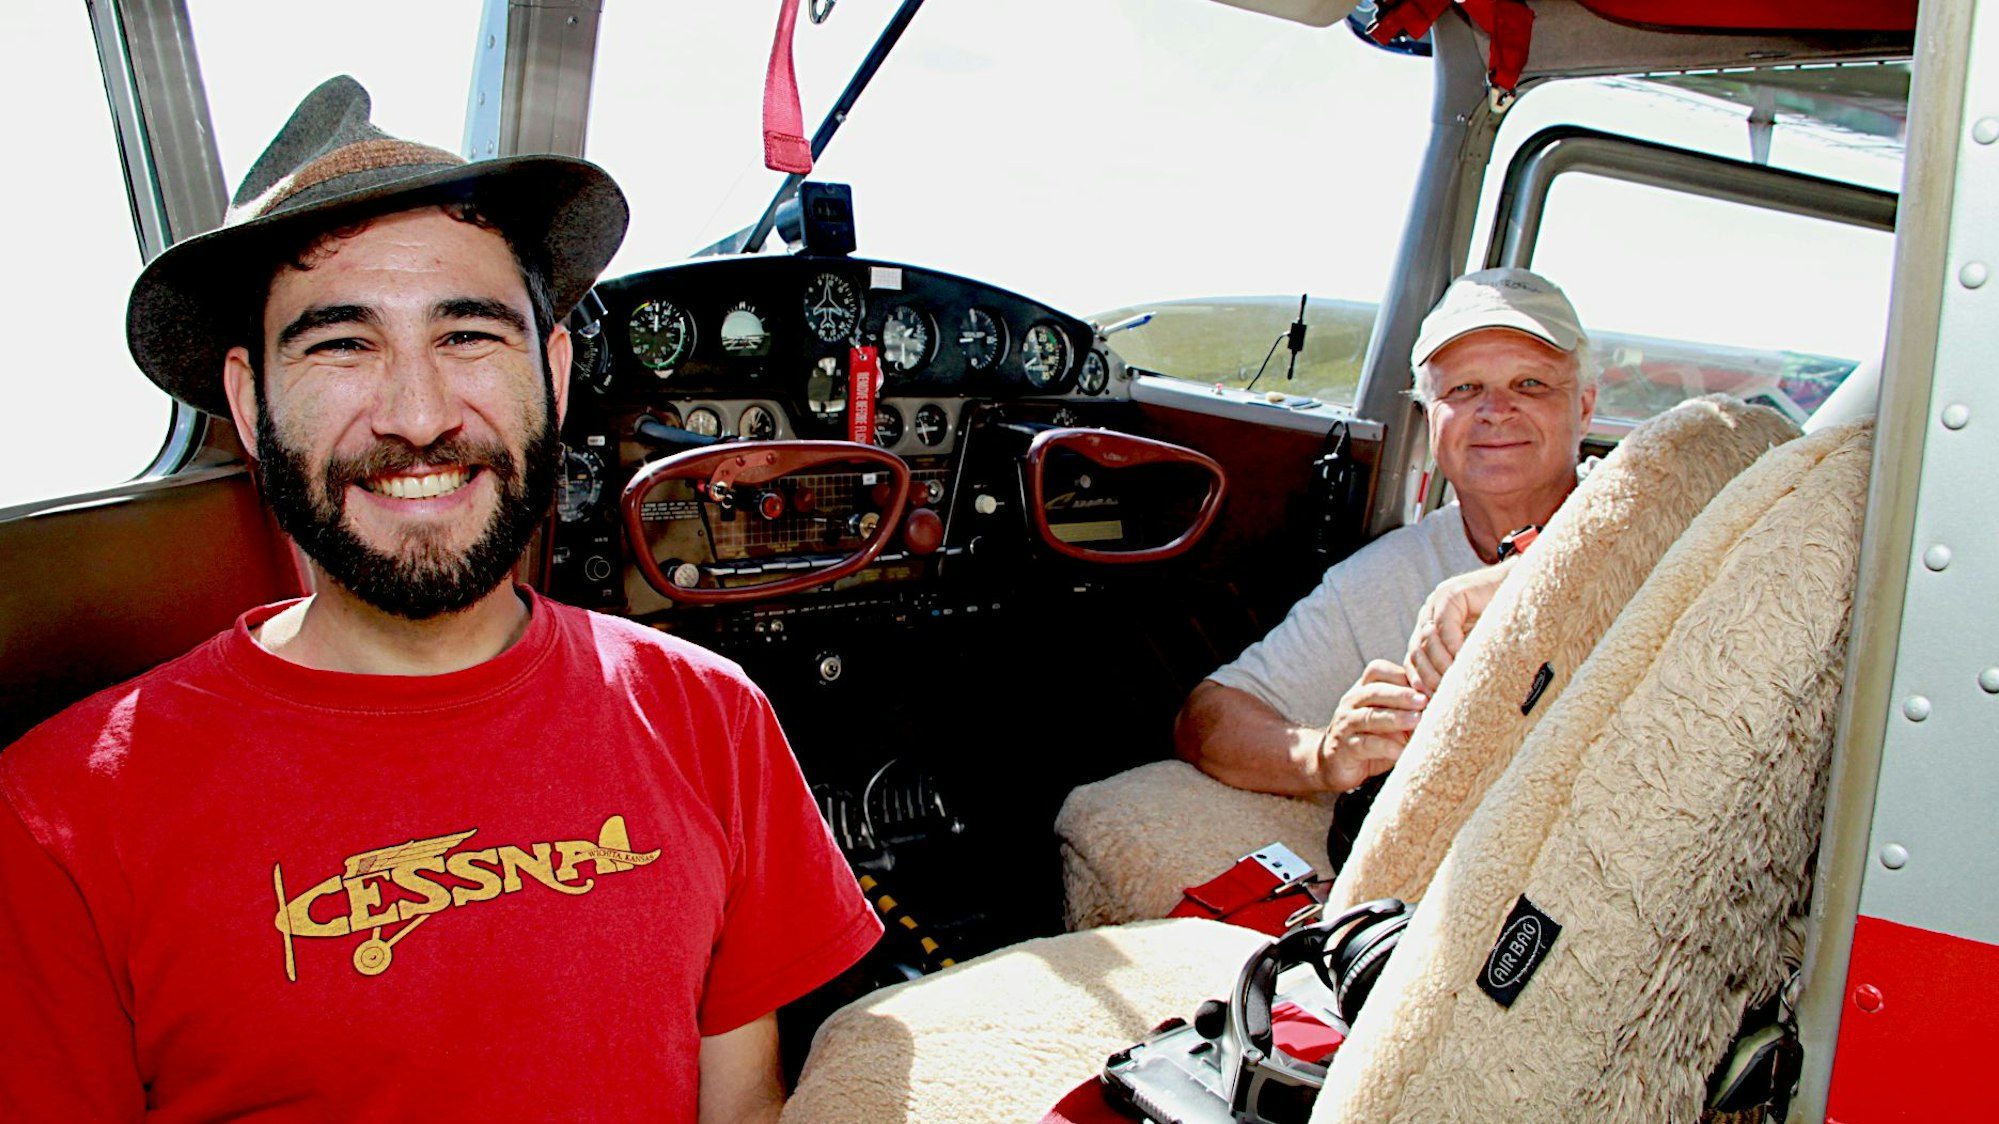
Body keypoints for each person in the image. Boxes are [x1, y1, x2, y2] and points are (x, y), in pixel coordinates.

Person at [0, 77, 880, 1123]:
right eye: (340, 344)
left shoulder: (710, 715)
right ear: (248, 400)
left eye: (467, 336)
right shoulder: (54, 819)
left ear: (552, 372)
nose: (417, 416)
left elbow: (739, 1104)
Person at [1173, 267, 1598, 801]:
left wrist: (1506, 584)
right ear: (1429, 418)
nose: (1495, 411)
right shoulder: (1388, 574)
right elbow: (1208, 716)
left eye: (1529, 384)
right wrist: (1324, 755)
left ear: (1584, 408)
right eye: (1465, 388)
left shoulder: (1656, 510)